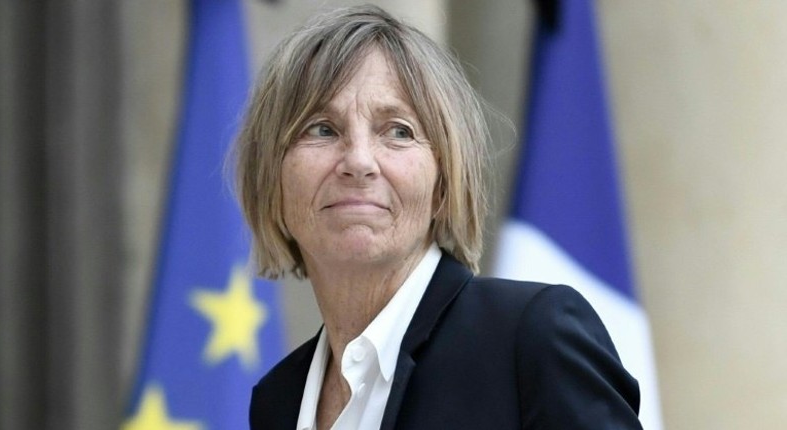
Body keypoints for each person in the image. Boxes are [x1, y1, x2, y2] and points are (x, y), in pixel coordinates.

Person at [235, 5, 642, 429]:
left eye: (398, 131)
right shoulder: (278, 400)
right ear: (271, 177)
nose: (358, 161)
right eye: (322, 129)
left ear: (444, 183)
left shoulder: (529, 339)